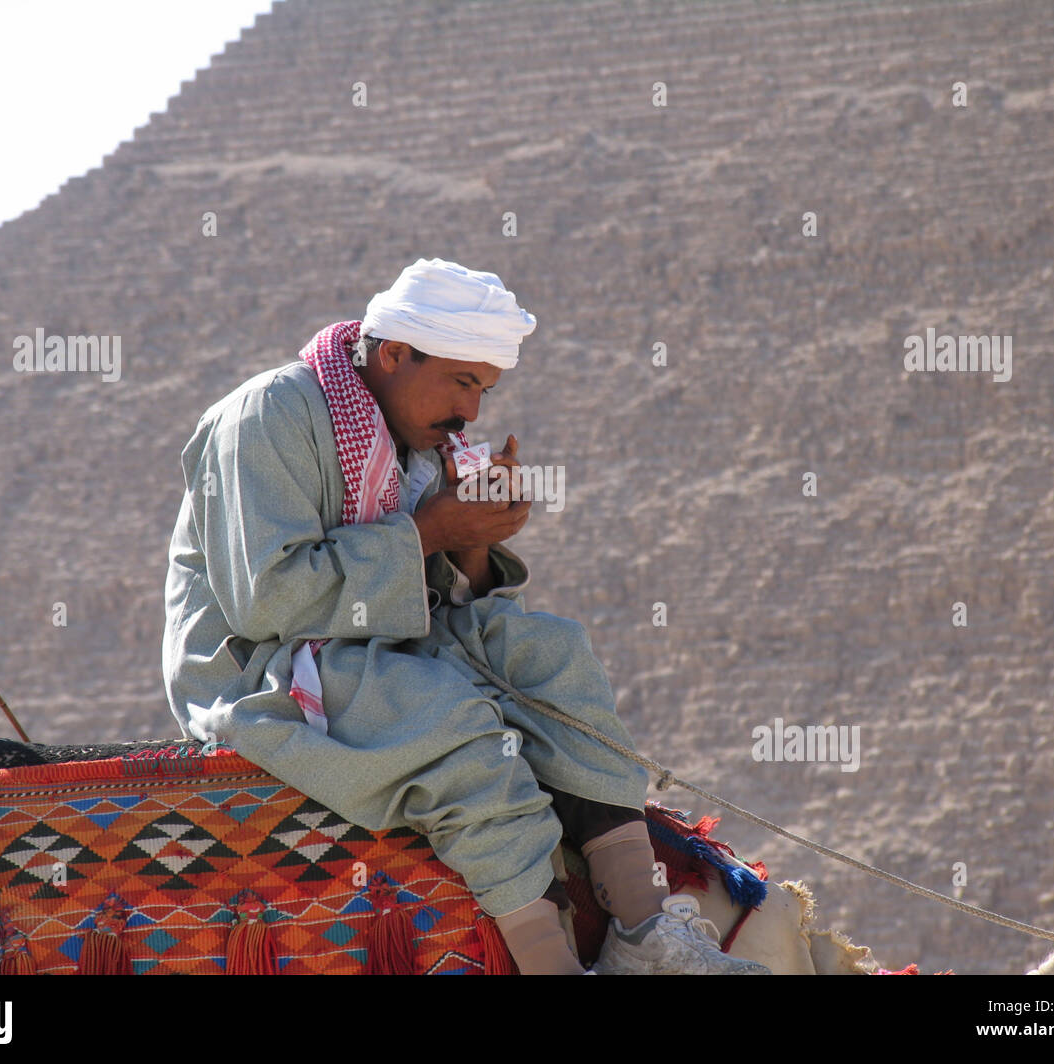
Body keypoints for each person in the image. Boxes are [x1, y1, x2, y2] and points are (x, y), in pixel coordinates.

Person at [161, 257, 768, 975]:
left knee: (550, 653)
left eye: (484, 388)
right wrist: (430, 531)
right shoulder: (270, 414)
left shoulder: (410, 438)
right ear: (393, 354)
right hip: (264, 667)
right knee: (449, 715)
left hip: (382, 644)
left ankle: (647, 932)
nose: (473, 411)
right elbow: (268, 600)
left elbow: (452, 598)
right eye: (462, 381)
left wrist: (472, 540)